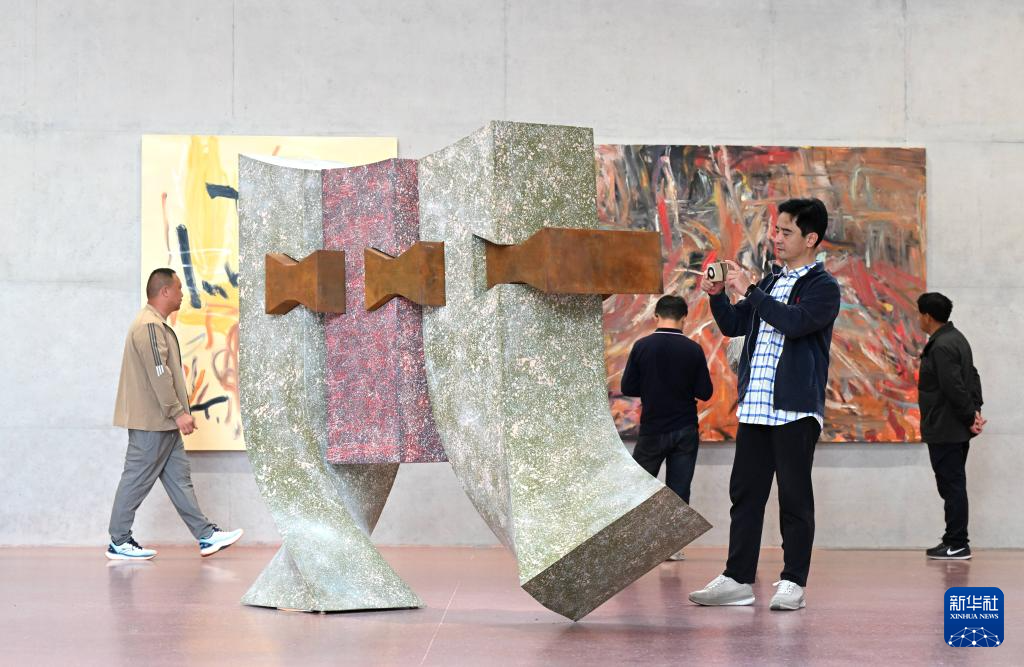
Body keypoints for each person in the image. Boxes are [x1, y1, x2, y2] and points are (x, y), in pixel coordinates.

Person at [688, 198, 840, 611]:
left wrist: (751, 291)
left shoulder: (823, 287)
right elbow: (734, 324)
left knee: (794, 499)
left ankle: (793, 582)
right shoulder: (772, 282)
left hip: (795, 410)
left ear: (811, 238)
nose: (777, 238)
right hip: (755, 408)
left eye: (786, 232)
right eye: (776, 230)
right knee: (746, 495)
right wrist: (718, 296)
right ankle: (737, 578)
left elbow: (794, 323)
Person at [107, 268, 243, 560]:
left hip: (163, 424)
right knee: (135, 480)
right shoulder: (149, 326)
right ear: (165, 291)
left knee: (180, 481)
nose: (183, 294)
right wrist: (178, 412)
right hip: (152, 424)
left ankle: (206, 535)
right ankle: (119, 540)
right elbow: (160, 374)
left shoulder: (155, 324)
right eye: (179, 288)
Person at [621, 294, 713, 560]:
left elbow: (628, 386)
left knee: (639, 486)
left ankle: (632, 546)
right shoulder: (693, 349)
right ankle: (672, 548)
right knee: (679, 489)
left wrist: (652, 386)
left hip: (653, 428)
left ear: (656, 316)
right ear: (684, 318)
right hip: (685, 428)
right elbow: (705, 392)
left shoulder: (642, 346)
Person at [916, 292, 984, 561]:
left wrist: (970, 417)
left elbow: (954, 387)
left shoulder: (941, 346)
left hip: (946, 427)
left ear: (927, 316)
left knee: (952, 485)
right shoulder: (956, 339)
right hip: (952, 427)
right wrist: (975, 412)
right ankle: (952, 539)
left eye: (919, 314)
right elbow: (973, 377)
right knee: (952, 484)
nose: (918, 319)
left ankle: (958, 543)